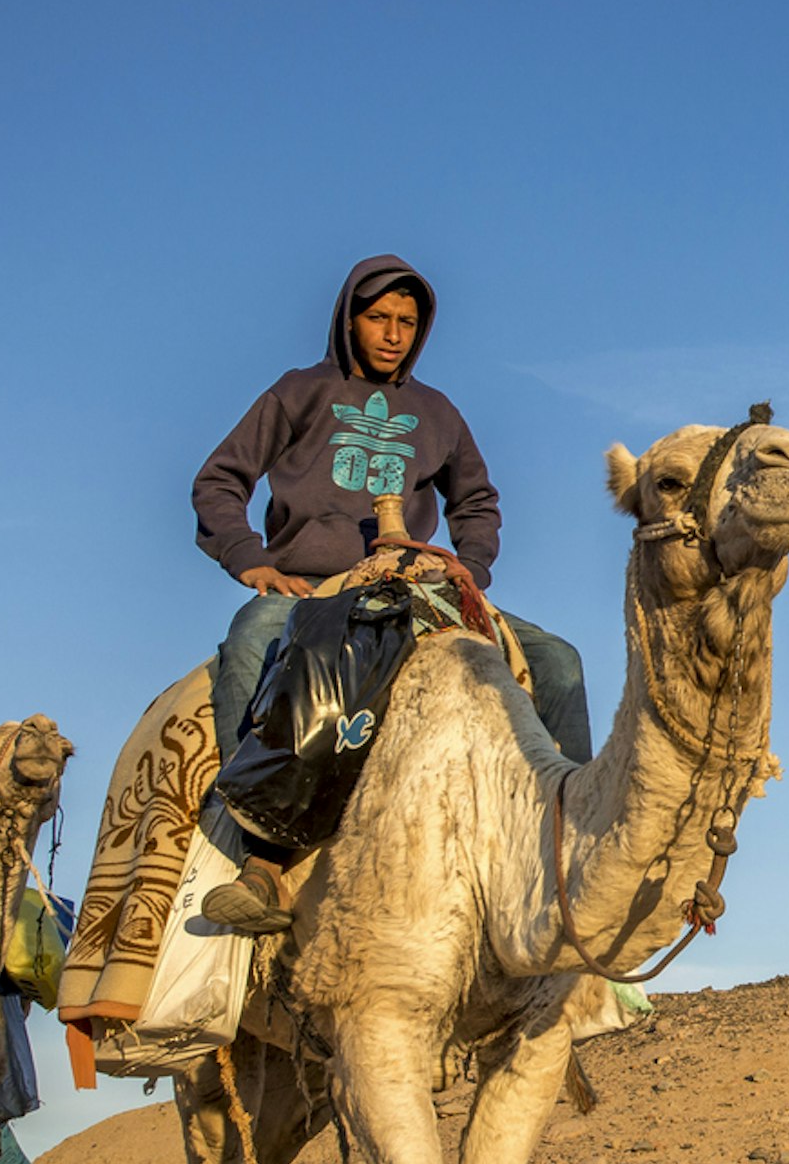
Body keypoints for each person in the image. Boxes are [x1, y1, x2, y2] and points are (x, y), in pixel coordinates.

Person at [188, 254, 589, 932]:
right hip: (314, 588)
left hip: (415, 585)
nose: (394, 333)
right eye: (379, 317)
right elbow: (219, 480)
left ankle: (573, 847)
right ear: (350, 318)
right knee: (255, 637)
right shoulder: (299, 391)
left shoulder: (437, 412)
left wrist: (471, 569)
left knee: (557, 662)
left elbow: (478, 502)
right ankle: (258, 855)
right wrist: (250, 560)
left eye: (408, 321)